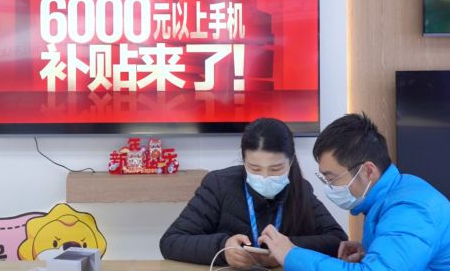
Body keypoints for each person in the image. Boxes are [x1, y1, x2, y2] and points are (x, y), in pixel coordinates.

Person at [259, 113, 450, 271]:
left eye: (332, 178)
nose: (330, 186)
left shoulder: (411, 210)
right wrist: (370, 252)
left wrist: (291, 255)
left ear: (368, 171)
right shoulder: (397, 192)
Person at [160, 118, 347, 268]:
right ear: (244, 161)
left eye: (275, 169)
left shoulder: (300, 188)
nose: (264, 177)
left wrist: (288, 251)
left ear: (290, 162)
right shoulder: (218, 185)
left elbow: (337, 240)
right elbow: (171, 242)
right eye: (255, 168)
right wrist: (223, 248)